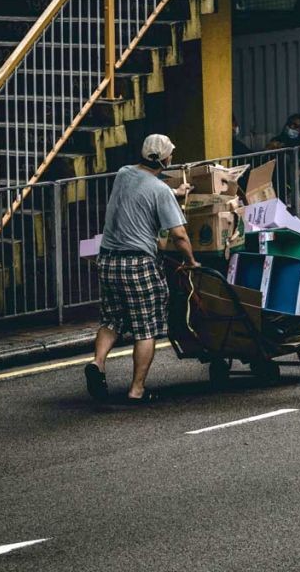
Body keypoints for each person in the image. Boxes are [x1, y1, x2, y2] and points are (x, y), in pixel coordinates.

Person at [85, 134, 199, 404]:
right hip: (138, 264)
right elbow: (180, 235)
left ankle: (97, 363)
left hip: (108, 260)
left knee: (111, 319)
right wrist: (192, 261)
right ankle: (137, 390)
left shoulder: (124, 174)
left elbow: (144, 190)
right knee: (145, 327)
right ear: (165, 158)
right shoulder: (159, 191)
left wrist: (175, 193)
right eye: (171, 154)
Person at [266, 113, 300, 210]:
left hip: (295, 178)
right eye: (290, 124)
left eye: (296, 126)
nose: (291, 127)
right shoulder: (278, 139)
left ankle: (298, 194)